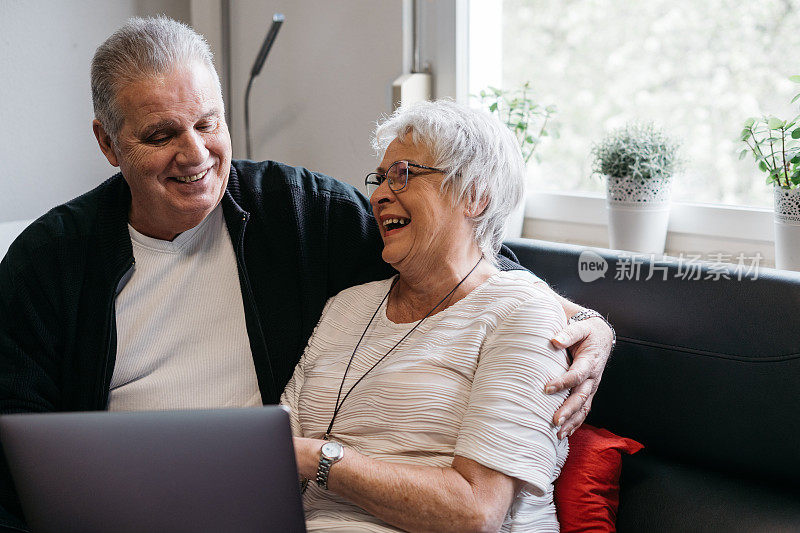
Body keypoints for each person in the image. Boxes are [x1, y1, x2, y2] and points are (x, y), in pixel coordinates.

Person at [0, 16, 613, 530]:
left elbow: (455, 254)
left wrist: (583, 321)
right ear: (108, 145)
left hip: (258, 509)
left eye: (208, 122)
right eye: (161, 134)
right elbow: (17, 449)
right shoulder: (50, 259)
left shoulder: (297, 210)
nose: (194, 154)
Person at [282, 100, 572, 532]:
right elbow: (276, 454)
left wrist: (318, 458)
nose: (379, 195)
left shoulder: (522, 311)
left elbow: (476, 511)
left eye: (402, 175)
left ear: (473, 196)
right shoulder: (347, 307)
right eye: (379, 179)